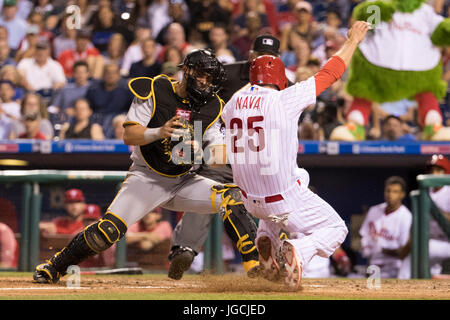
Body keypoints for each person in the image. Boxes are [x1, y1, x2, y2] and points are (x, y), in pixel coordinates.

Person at [33, 49, 259, 284]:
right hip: (147, 178)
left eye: (210, 78)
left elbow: (217, 154)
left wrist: (213, 151)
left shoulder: (212, 106)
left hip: (184, 180)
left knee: (232, 197)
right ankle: (55, 265)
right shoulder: (155, 88)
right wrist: (160, 131)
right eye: (201, 74)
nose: (205, 81)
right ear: (187, 70)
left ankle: (255, 267)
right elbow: (129, 134)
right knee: (107, 232)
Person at [220, 21, 370, 289]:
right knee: (336, 229)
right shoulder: (284, 99)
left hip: (251, 202)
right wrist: (352, 41)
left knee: (286, 194)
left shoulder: (231, 104)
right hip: (283, 198)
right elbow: (331, 72)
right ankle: (299, 250)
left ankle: (267, 237)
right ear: (278, 76)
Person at [167, 34, 287, 281]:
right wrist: (194, 139)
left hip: (261, 157)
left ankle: (275, 257)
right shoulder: (226, 74)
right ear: (250, 54)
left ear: (279, 58)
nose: (265, 60)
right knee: (208, 189)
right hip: (225, 150)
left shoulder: (286, 83)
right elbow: (197, 99)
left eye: (271, 57)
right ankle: (185, 249)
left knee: (276, 204)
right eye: (260, 55)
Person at [398, 154, 450, 279]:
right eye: (431, 170)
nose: (434, 173)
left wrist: (436, 211)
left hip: (446, 241)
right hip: (431, 240)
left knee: (422, 250)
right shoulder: (426, 192)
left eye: (438, 170)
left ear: (446, 172)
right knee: (419, 255)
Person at [359, 176, 412, 278]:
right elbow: (362, 235)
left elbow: (404, 251)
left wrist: (381, 249)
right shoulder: (374, 210)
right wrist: (364, 246)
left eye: (395, 192)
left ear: (402, 195)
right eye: (388, 191)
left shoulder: (406, 216)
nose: (390, 195)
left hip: (395, 269)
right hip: (373, 266)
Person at [85, 63, 134, 139]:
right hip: (98, 119)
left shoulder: (126, 90)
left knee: (122, 123)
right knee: (94, 126)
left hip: (119, 119)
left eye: (113, 73)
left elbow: (134, 109)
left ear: (119, 75)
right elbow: (86, 106)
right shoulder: (94, 89)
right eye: (108, 73)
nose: (111, 75)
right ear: (103, 75)